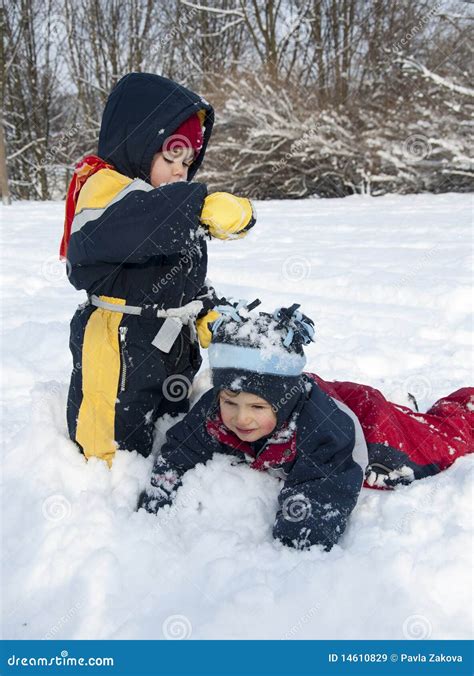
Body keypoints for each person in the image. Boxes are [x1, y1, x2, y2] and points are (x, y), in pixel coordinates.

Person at [138, 303, 473, 551]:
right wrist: (158, 498)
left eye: (257, 407)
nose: (241, 418)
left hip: (370, 428)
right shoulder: (215, 409)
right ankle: (403, 404)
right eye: (231, 403)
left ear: (283, 403)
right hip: (333, 395)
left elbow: (323, 485)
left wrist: (298, 541)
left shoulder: (319, 428)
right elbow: (180, 452)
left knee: (441, 444)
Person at [61, 73, 255, 466]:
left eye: (188, 162)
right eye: (170, 158)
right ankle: (104, 489)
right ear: (136, 142)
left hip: (172, 341)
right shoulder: (103, 188)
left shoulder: (171, 208)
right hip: (120, 346)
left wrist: (206, 312)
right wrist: (196, 206)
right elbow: (133, 227)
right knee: (117, 436)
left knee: (170, 422)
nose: (181, 171)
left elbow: (186, 274)